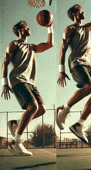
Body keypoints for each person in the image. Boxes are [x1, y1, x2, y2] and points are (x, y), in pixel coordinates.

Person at [55, 0, 91, 144]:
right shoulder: (69, 29)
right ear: (74, 14)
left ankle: (79, 124)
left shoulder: (87, 27)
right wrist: (61, 70)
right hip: (76, 63)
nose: (83, 12)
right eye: (80, 10)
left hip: (88, 64)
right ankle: (65, 109)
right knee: (89, 88)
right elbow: (63, 49)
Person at [1, 20, 54, 156]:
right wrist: (4, 83)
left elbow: (50, 44)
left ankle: (17, 123)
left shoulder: (32, 47)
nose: (28, 29)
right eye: (25, 27)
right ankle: (16, 143)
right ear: (19, 30)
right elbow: (5, 63)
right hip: (17, 79)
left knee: (42, 109)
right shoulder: (13, 44)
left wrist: (50, 27)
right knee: (33, 106)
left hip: (30, 82)